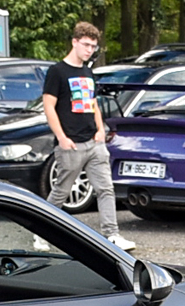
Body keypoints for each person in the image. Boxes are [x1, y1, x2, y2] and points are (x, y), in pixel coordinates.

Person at [39, 21, 132, 250]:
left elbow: (92, 104)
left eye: (93, 46)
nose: (89, 50)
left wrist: (101, 130)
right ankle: (40, 233)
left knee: (105, 188)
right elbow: (49, 106)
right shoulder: (57, 72)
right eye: (86, 45)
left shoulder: (87, 71)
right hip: (70, 143)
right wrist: (61, 137)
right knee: (61, 190)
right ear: (74, 42)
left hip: (94, 141)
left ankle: (112, 234)